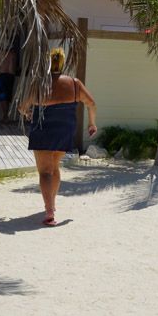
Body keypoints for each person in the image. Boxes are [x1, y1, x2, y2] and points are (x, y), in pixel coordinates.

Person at [19, 48, 98, 226]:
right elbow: (91, 103)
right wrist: (92, 124)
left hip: (43, 129)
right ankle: (51, 204)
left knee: (45, 171)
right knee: (54, 166)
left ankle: (49, 210)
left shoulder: (39, 84)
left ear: (48, 63)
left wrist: (28, 113)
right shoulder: (75, 83)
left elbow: (22, 106)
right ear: (63, 63)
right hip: (65, 129)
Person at [0, 43, 18, 122]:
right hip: (11, 76)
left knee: (3, 97)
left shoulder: (1, 53)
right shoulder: (13, 54)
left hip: (2, 75)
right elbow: (15, 66)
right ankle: (6, 116)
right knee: (8, 97)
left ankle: (5, 116)